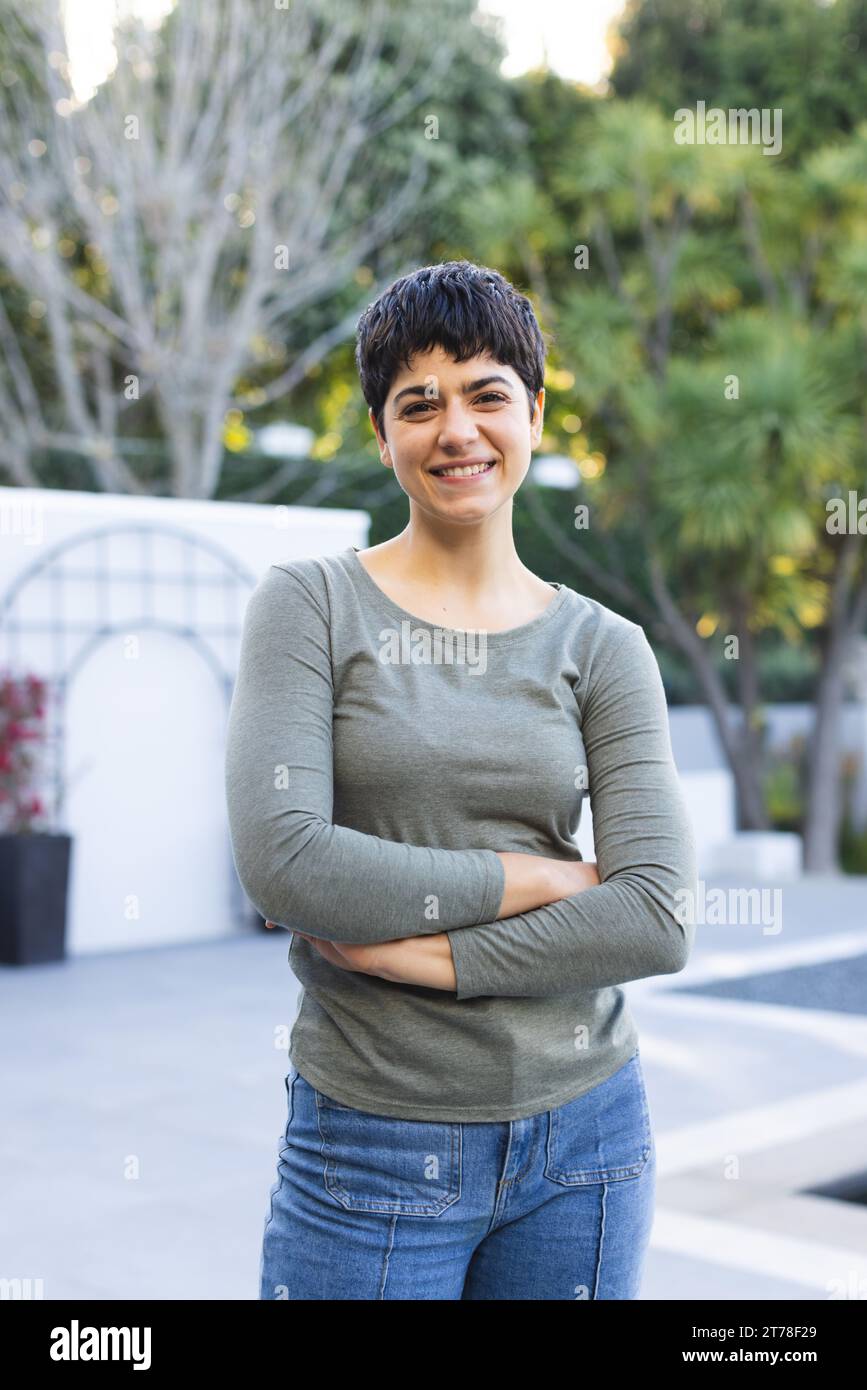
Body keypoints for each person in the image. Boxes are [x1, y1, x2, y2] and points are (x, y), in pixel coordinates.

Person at [224, 259, 698, 1300]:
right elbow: (290, 865)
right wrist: (543, 877)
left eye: (486, 392)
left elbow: (656, 918)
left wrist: (421, 959)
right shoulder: (309, 607)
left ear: (534, 411)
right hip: (373, 1145)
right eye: (418, 402)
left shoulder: (605, 646)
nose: (457, 429)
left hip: (588, 1145)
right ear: (382, 433)